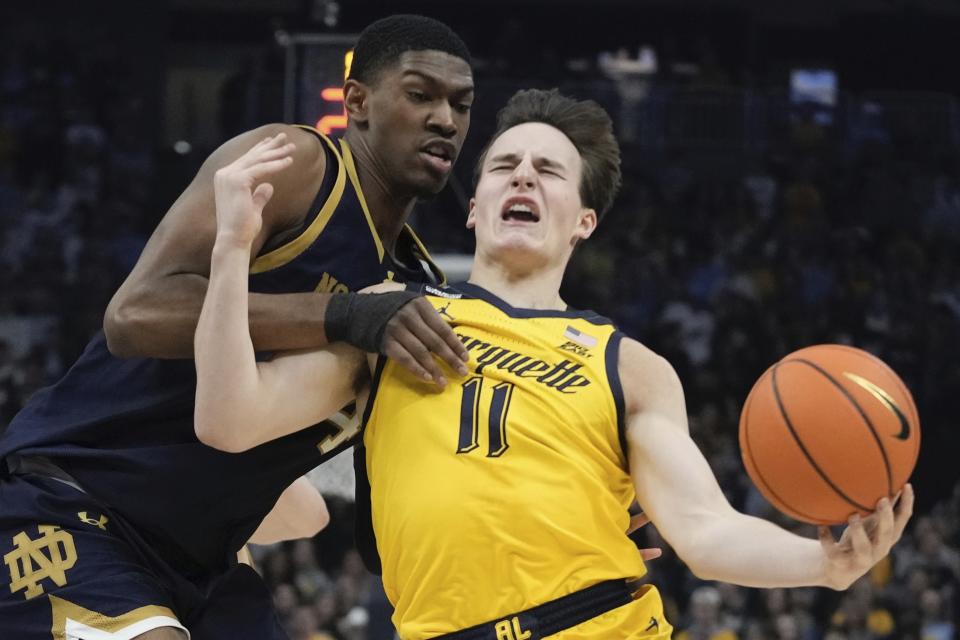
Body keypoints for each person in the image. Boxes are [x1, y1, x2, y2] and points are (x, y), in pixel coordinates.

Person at [194, 89, 914, 639]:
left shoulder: (631, 366)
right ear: (475, 207)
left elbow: (703, 529)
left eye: (549, 171)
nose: (524, 179)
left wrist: (825, 564)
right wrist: (229, 254)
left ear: (583, 221)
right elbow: (229, 421)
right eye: (505, 166)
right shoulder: (390, 314)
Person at [0, 14, 475, 640]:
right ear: (356, 100)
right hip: (75, 503)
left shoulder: (415, 285)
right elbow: (134, 314)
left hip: (205, 561)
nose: (445, 118)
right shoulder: (302, 166)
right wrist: (340, 316)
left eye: (462, 105)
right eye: (421, 95)